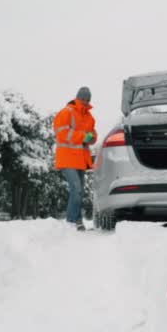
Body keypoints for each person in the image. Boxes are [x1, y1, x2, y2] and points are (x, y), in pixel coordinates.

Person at [53, 87, 97, 231]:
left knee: (79, 192)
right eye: (83, 99)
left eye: (88, 100)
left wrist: (91, 138)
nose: (85, 102)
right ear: (78, 98)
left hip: (81, 160)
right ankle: (71, 221)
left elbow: (92, 134)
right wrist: (83, 137)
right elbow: (62, 133)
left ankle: (77, 221)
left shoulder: (89, 117)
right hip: (67, 158)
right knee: (76, 189)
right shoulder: (66, 112)